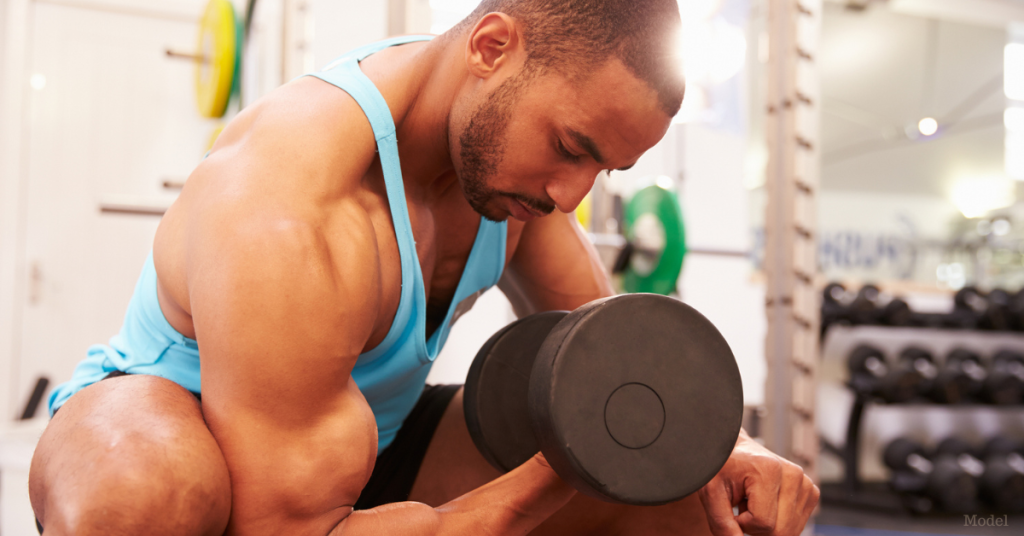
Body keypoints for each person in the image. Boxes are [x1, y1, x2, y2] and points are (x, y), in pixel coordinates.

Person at [28, 1, 819, 534]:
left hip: (364, 439)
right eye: (572, 148)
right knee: (142, 501)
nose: (569, 194)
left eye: (602, 171)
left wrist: (738, 448)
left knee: (700, 503)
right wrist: (568, 465)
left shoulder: (515, 186)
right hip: (196, 435)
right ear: (492, 47)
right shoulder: (289, 203)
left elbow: (615, 361)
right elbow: (286, 529)